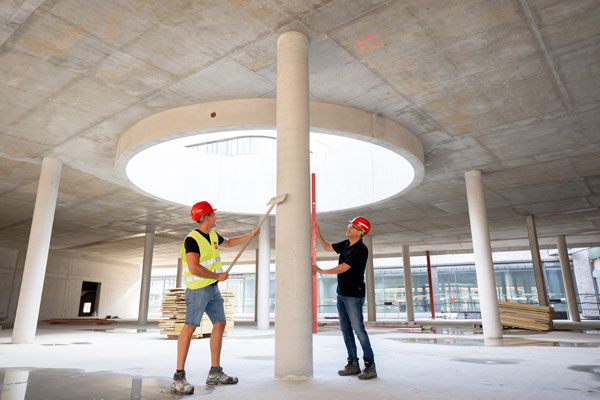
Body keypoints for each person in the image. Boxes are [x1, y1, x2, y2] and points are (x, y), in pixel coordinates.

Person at [171, 201, 259, 394]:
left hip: (212, 289)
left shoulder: (212, 236)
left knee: (219, 323)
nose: (216, 217)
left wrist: (250, 236)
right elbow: (194, 267)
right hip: (197, 290)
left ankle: (214, 372)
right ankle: (178, 377)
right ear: (206, 217)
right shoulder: (192, 239)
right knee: (190, 327)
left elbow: (228, 242)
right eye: (213, 214)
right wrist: (217, 276)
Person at [313, 216, 377, 380]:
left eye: (352, 225)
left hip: (353, 296)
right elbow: (327, 247)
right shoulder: (346, 244)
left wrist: (322, 271)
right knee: (345, 330)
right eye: (350, 224)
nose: (348, 227)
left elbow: (344, 268)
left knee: (358, 330)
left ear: (360, 232)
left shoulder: (361, 250)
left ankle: (370, 366)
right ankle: (353, 364)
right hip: (342, 294)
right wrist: (318, 233)